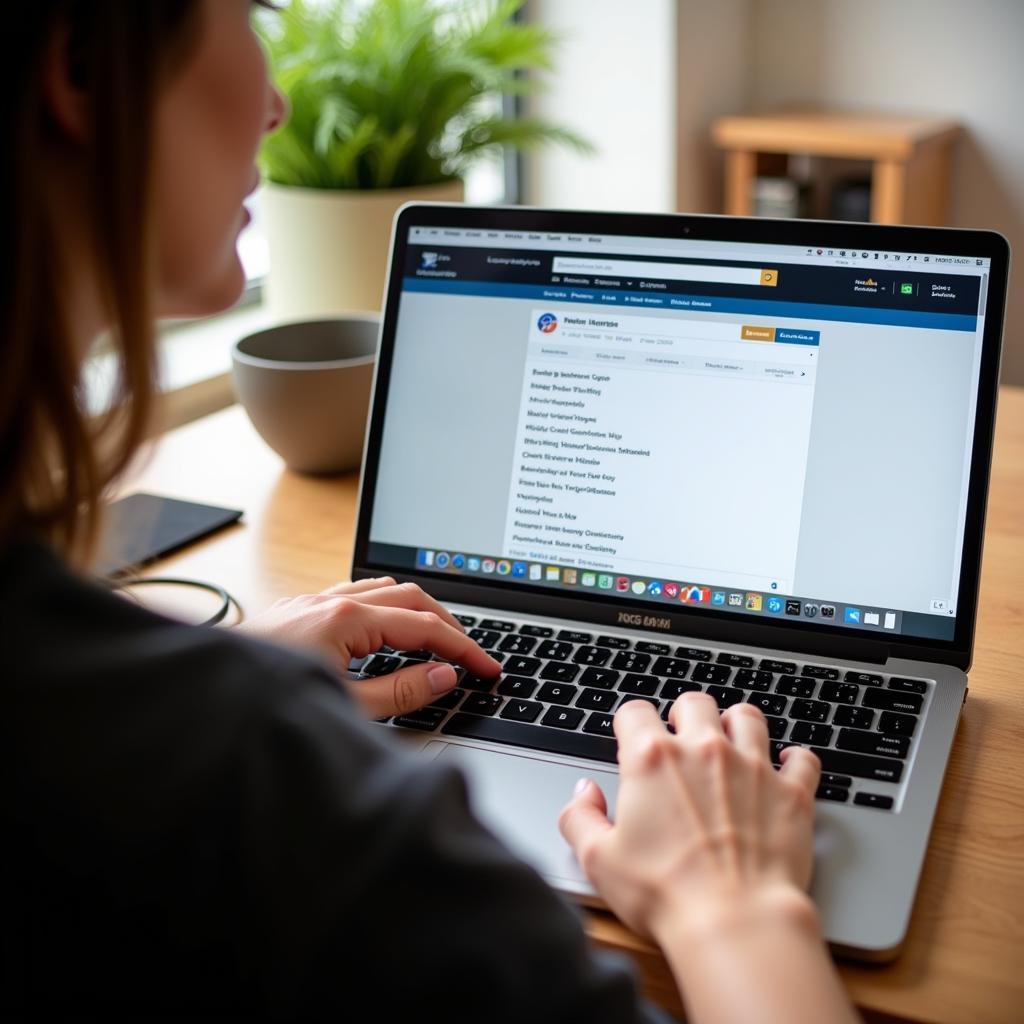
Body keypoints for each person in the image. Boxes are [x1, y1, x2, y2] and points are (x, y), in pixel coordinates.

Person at [1, 2, 860, 1021]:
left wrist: (226, 682)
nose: (277, 104)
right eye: (248, 12)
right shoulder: (248, 781)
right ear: (86, 71)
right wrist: (735, 907)